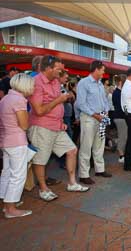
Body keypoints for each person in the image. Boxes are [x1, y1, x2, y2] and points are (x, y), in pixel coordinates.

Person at [29, 55, 89, 202]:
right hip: (41, 126)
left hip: (57, 126)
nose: (61, 71)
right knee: (41, 159)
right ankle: (43, 189)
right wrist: (59, 100)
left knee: (72, 150)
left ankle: (72, 183)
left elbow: (57, 105)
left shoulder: (55, 81)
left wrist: (61, 120)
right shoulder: (36, 83)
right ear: (48, 68)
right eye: (58, 69)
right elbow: (39, 110)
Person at [0, 74, 35, 218]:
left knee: (7, 173)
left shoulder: (6, 99)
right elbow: (25, 125)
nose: (33, 88)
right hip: (16, 141)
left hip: (6, 141)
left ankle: (6, 203)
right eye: (32, 85)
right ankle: (11, 209)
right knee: (18, 175)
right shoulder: (19, 100)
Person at [75, 60, 112, 185]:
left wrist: (106, 111)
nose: (104, 72)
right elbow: (80, 103)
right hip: (89, 118)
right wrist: (95, 115)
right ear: (96, 69)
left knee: (99, 145)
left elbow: (105, 101)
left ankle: (99, 169)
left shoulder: (100, 84)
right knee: (86, 146)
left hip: (100, 118)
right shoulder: (84, 83)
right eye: (102, 70)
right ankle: (83, 174)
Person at [112, 74, 127, 163]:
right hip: (120, 117)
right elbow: (121, 107)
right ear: (121, 82)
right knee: (122, 137)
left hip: (121, 117)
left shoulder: (119, 92)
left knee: (124, 136)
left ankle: (122, 153)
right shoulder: (117, 92)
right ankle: (121, 155)